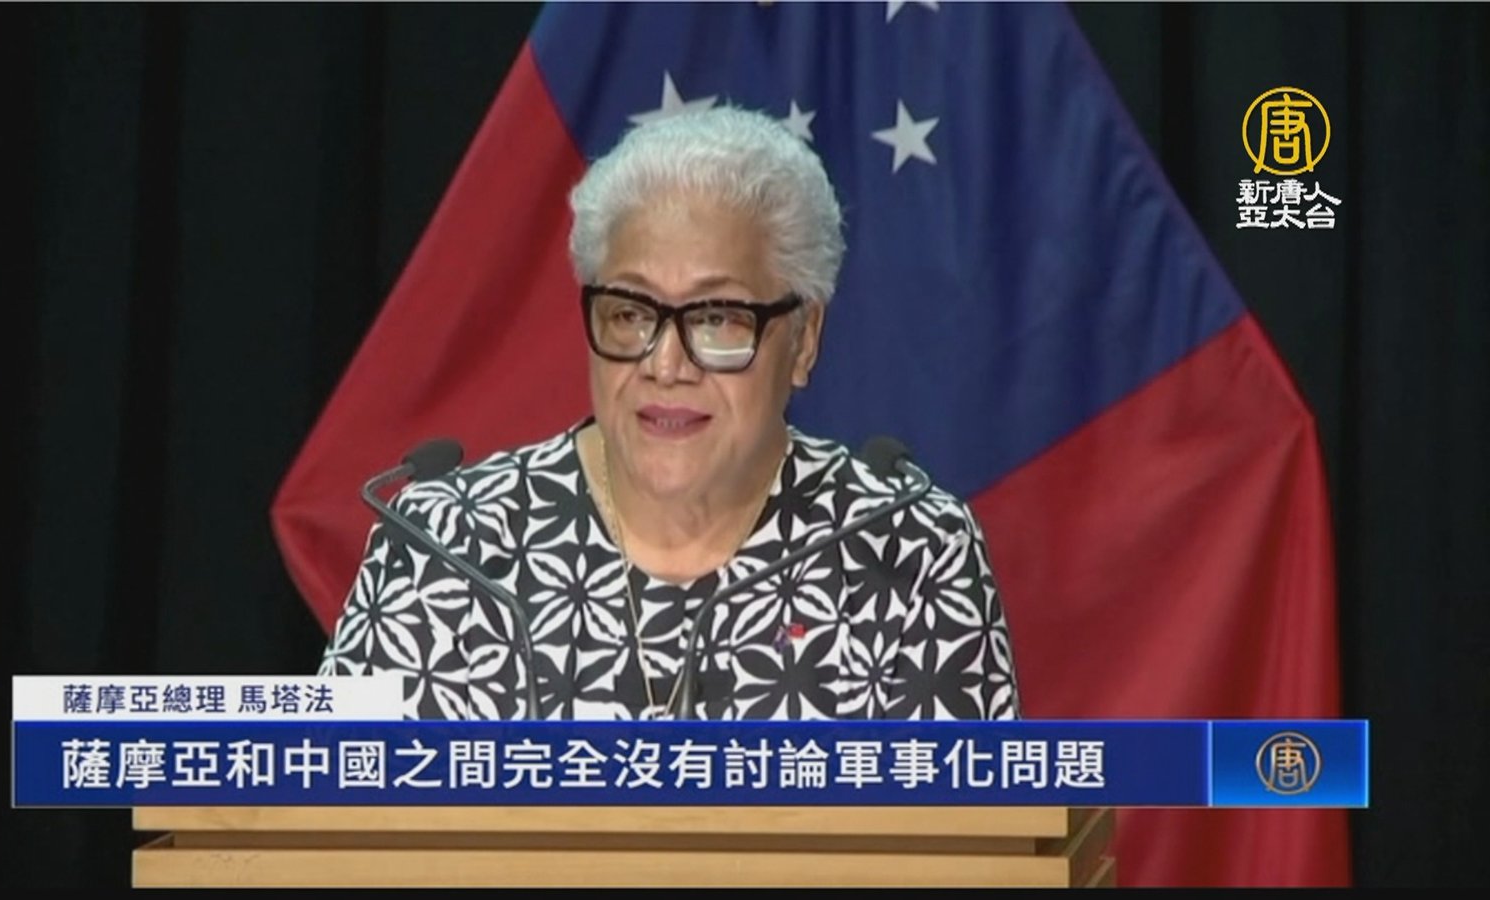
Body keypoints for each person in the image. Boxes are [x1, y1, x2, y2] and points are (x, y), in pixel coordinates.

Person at [318, 106, 1020, 721]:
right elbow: (320, 802)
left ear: (803, 339)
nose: (665, 363)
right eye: (631, 313)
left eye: (717, 318)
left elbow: (970, 827)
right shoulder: (447, 543)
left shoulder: (908, 550)